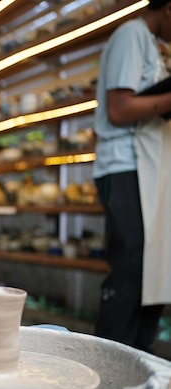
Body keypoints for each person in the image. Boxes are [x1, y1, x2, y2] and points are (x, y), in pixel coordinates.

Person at [92, 0, 171, 352]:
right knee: (131, 268)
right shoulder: (131, 34)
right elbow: (119, 108)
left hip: (149, 169)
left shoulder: (153, 44)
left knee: (153, 270)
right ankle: (109, 368)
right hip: (125, 166)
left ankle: (139, 364)